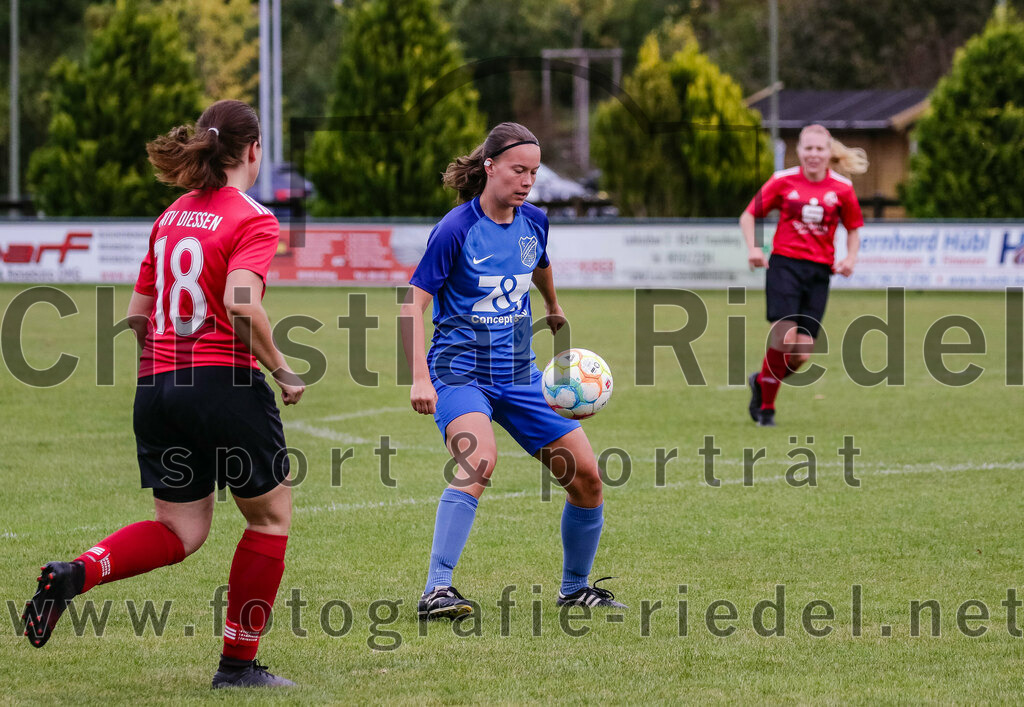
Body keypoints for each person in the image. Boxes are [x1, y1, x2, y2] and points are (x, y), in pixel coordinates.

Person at [21, 100, 305, 688]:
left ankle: (77, 573)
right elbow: (240, 301)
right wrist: (281, 368)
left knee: (181, 531)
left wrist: (170, 373)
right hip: (222, 383)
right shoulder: (253, 218)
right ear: (254, 150)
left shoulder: (172, 213)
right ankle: (238, 666)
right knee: (271, 519)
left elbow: (136, 314)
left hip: (157, 386)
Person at [400, 122, 625, 620]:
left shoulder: (534, 221)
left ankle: (575, 587)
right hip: (459, 372)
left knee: (586, 477)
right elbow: (410, 305)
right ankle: (436, 589)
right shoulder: (456, 229)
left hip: (521, 374)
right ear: (490, 168)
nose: (527, 182)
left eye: (534, 173)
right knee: (478, 461)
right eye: (518, 170)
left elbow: (538, 261)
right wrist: (419, 377)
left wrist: (553, 304)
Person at [741, 123, 867, 426]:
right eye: (808, 148)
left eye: (819, 149)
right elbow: (749, 215)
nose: (813, 154)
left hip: (819, 273)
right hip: (784, 266)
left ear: (828, 152)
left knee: (800, 356)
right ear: (799, 151)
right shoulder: (782, 181)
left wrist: (850, 257)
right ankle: (766, 410)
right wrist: (753, 248)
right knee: (783, 338)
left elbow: (854, 228)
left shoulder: (842, 188)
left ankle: (761, 381)